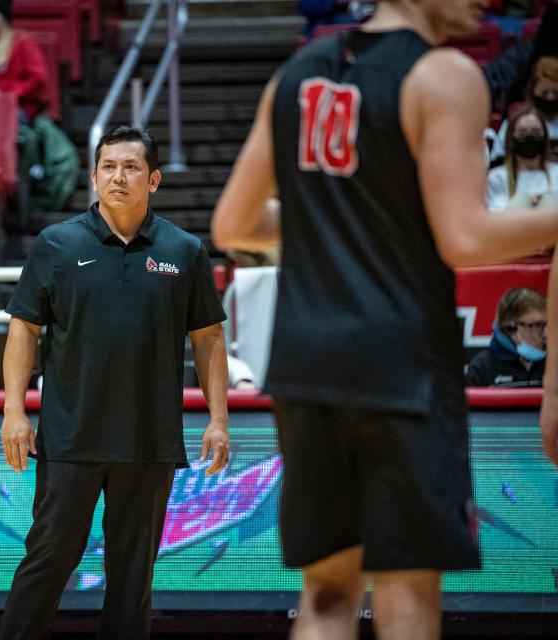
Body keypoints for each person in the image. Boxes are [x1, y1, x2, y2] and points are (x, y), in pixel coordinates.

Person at [211, 0, 558, 638]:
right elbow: (463, 239)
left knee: (327, 595)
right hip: (400, 363)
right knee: (406, 598)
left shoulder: (296, 73)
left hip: (304, 363)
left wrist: (334, 227)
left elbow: (232, 224)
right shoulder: (446, 75)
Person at [0, 126, 230, 640]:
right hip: (70, 437)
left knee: (132, 580)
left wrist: (218, 419)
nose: (118, 177)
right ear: (94, 176)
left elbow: (209, 339)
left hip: (149, 441)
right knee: (48, 562)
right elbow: (23, 330)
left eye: (130, 168)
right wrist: (14, 411)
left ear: (154, 180)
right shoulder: (56, 245)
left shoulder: (185, 251)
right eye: (108, 167)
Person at [467, 288, 547, 387]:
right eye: (537, 326)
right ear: (511, 327)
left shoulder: (553, 364)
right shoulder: (482, 367)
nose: (545, 333)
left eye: (547, 325)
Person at [487, 106, 558, 211]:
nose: (529, 136)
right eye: (522, 132)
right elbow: (493, 214)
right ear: (511, 139)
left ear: (545, 136)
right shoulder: (496, 178)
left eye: (536, 131)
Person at [492, 55, 558, 164]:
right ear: (532, 92)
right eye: (544, 93)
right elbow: (498, 158)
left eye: (556, 93)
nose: (550, 97)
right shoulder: (516, 121)